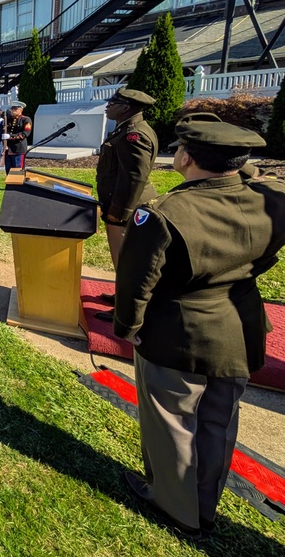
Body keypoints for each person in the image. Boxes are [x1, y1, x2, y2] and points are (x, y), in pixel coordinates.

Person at [114, 120, 285, 538]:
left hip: (179, 331)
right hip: (239, 327)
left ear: (186, 157)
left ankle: (176, 509)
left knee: (173, 421)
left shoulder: (163, 214)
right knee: (218, 422)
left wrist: (128, 327)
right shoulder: (274, 201)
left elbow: (136, 282)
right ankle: (204, 506)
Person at [96, 88, 158, 310]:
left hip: (126, 209)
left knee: (127, 261)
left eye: (113, 102)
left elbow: (134, 177)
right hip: (120, 205)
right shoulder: (125, 129)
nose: (108, 106)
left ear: (125, 107)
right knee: (122, 259)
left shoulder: (135, 135)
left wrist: (120, 211)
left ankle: (128, 308)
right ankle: (124, 296)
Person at [4, 101, 33, 175]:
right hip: (9, 149)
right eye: (12, 109)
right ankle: (10, 185)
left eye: (15, 109)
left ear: (21, 110)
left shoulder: (26, 120)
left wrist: (10, 136)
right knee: (8, 169)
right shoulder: (9, 119)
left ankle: (17, 185)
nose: (13, 111)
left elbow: (25, 134)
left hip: (19, 148)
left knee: (18, 169)